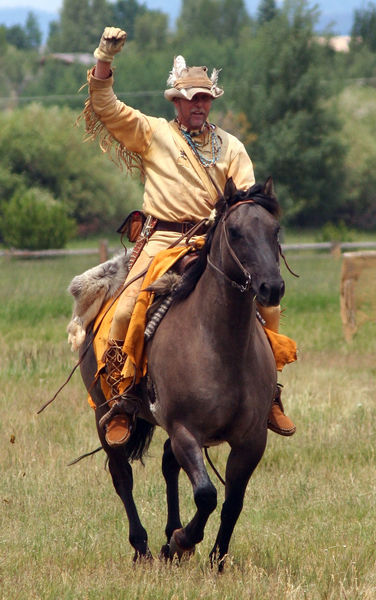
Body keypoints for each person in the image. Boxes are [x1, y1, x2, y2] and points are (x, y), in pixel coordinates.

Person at [84, 26, 296, 447]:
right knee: (126, 309)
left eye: (205, 98)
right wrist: (104, 58)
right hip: (161, 240)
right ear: (177, 101)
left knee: (269, 305)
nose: (199, 105)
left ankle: (268, 395)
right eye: (191, 98)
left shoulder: (232, 147)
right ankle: (123, 400)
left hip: (215, 243)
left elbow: (247, 201)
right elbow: (105, 106)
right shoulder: (153, 133)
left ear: (211, 101)